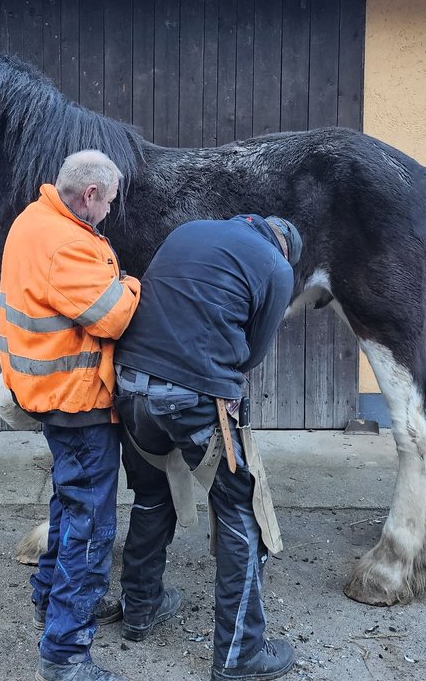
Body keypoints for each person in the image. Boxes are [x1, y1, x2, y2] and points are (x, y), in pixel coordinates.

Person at [113, 214, 302, 681]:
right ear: (283, 246)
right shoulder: (278, 269)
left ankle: (140, 609)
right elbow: (253, 354)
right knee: (240, 512)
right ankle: (240, 656)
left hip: (130, 385)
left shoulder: (186, 231)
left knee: (153, 495)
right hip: (194, 398)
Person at [0, 150, 141, 681]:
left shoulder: (32, 221)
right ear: (89, 196)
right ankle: (65, 654)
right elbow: (113, 317)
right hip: (77, 402)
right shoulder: (70, 244)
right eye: (108, 201)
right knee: (90, 527)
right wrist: (132, 285)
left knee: (67, 504)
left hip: (48, 395)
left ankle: (48, 600)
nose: (110, 211)